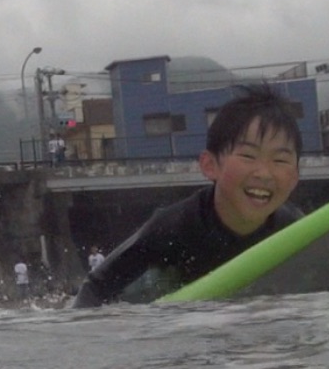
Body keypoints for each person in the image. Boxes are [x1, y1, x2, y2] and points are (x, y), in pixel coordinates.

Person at [75, 85, 306, 307]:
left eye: (280, 160)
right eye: (248, 155)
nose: (264, 173)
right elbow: (95, 288)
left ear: (295, 176)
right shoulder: (172, 229)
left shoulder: (297, 231)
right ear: (210, 165)